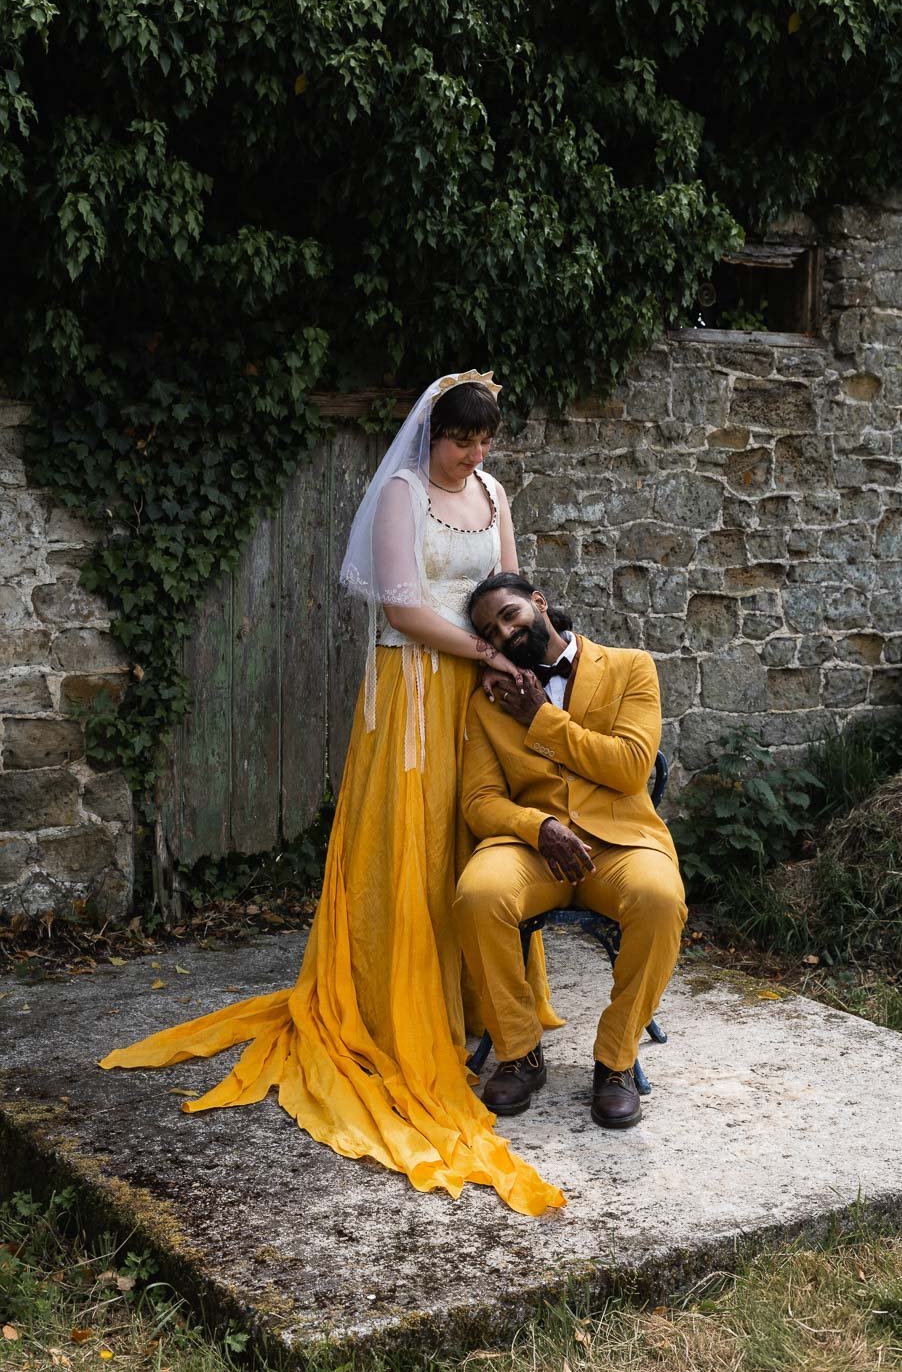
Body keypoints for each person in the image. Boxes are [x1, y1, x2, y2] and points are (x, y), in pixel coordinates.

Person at [100, 373, 565, 1217]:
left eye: (485, 441)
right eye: (462, 440)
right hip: (416, 684)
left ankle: (487, 1007)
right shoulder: (401, 494)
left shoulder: (495, 493)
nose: (475, 454)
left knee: (473, 838)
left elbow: (509, 586)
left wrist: (522, 657)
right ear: (433, 435)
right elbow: (404, 608)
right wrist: (487, 654)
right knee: (409, 840)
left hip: (481, 692)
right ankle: (395, 1007)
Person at [455, 572, 687, 1130]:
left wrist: (541, 718)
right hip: (534, 848)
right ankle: (519, 1051)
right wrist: (538, 827)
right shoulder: (488, 701)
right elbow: (480, 801)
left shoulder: (632, 667)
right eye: (491, 631)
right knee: (478, 894)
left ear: (539, 602)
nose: (505, 633)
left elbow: (630, 767)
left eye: (510, 615)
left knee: (660, 900)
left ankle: (616, 1060)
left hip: (621, 842)